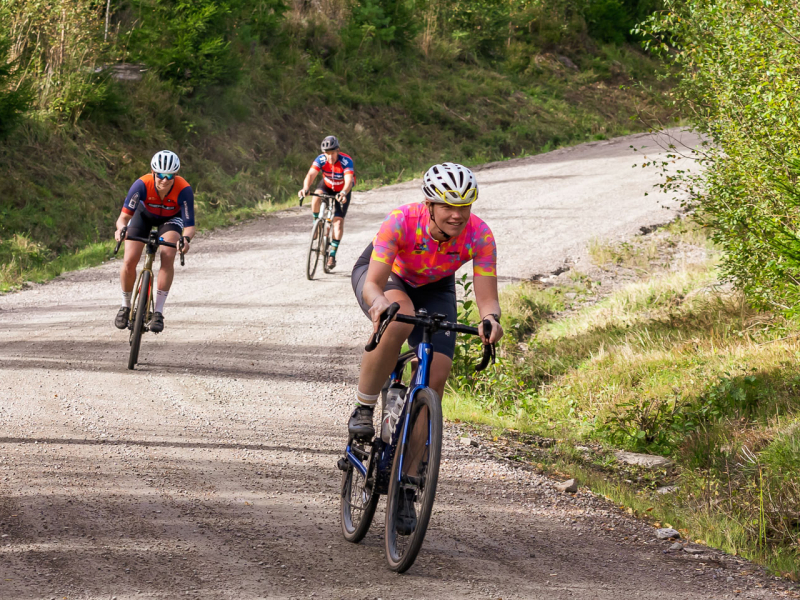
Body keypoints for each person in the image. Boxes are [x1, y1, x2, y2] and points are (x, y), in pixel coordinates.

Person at [349, 162, 504, 531]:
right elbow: (373, 282)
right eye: (448, 206)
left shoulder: (480, 235)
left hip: (436, 287)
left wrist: (492, 320)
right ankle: (363, 407)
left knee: (437, 373)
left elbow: (488, 297)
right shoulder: (401, 221)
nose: (457, 215)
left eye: (464, 206)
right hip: (389, 276)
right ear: (429, 204)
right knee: (398, 318)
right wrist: (378, 304)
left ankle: (406, 485)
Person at [113, 150, 195, 333]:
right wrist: (120, 230)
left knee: (168, 254)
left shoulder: (184, 190)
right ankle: (125, 306)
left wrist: (186, 239)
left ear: (176, 175)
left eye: (169, 176)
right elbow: (123, 218)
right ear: (153, 172)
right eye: (160, 175)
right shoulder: (141, 184)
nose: (164, 180)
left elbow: (190, 226)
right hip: (144, 216)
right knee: (129, 260)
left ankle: (158, 312)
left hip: (170, 220)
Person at [297, 135, 355, 270]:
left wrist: (344, 193)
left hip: (342, 190)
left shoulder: (346, 161)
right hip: (327, 185)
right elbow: (311, 175)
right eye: (327, 154)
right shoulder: (321, 159)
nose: (330, 157)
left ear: (338, 151)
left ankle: (332, 254)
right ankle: (316, 222)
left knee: (338, 222)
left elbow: (348, 181)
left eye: (332, 153)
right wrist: (306, 188)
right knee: (316, 197)